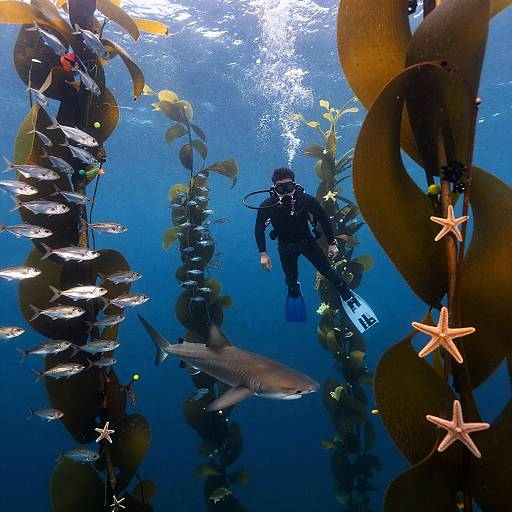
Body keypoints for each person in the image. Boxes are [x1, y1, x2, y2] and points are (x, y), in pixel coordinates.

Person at [252, 167, 377, 331]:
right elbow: (259, 229)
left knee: (329, 273)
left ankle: (344, 291)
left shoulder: (305, 200)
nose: (285, 192)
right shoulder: (268, 205)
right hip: (285, 248)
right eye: (280, 188)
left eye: (288, 187)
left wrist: (332, 242)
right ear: (274, 188)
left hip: (307, 243)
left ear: (294, 185)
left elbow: (323, 219)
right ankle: (294, 290)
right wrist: (263, 254)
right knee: (290, 279)